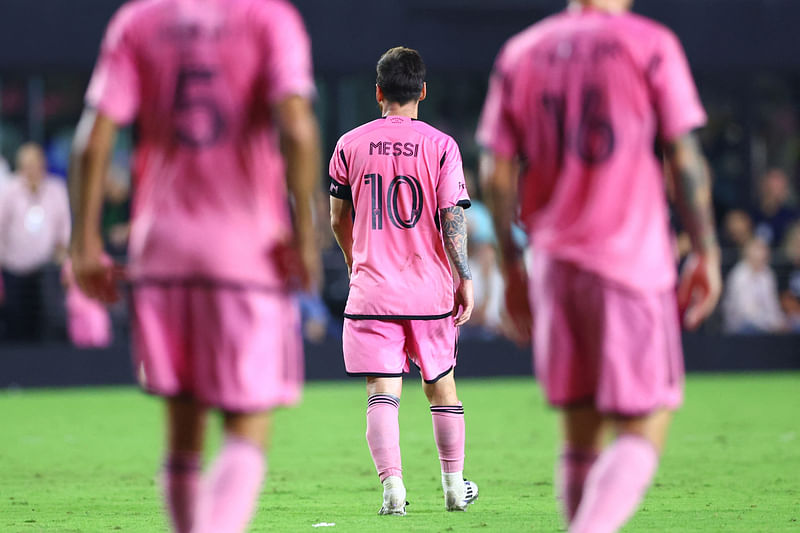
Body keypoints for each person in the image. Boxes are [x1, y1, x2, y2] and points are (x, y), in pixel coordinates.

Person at [69, 1, 321, 532]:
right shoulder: (269, 19)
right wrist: (305, 234)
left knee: (184, 433)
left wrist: (84, 241)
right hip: (246, 253)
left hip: (162, 250)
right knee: (246, 425)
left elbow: (93, 138)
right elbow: (297, 129)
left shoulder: (138, 21)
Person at [478, 1, 722, 532]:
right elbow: (683, 157)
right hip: (628, 261)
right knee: (644, 427)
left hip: (554, 268)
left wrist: (514, 268)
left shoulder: (521, 52)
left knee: (580, 435)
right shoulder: (650, 43)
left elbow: (495, 174)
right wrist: (706, 249)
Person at [329, 47, 478, 516]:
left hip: (373, 291)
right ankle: (454, 488)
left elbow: (337, 218)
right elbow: (450, 215)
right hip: (428, 290)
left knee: (382, 391)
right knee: (442, 387)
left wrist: (357, 261)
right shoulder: (442, 146)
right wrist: (464, 277)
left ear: (378, 93)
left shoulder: (349, 144)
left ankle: (393, 490)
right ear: (423, 92)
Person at [0, 143, 71, 341]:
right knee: (17, 324)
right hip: (14, 269)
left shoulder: (56, 189)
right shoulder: (9, 191)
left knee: (47, 324)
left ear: (43, 165)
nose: (31, 169)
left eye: (36, 164)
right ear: (20, 166)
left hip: (46, 271)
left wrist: (62, 251)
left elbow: (64, 226)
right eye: (27, 164)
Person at [722, 238, 786, 333]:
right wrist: (771, 324)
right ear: (747, 253)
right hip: (739, 326)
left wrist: (780, 321)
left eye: (764, 249)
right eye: (757, 249)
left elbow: (772, 304)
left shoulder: (767, 274)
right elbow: (746, 312)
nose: (762, 253)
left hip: (764, 324)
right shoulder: (739, 275)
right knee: (750, 327)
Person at [751, 168, 799, 247]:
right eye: (773, 187)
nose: (777, 191)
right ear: (763, 187)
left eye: (782, 187)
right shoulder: (750, 215)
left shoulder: (792, 216)